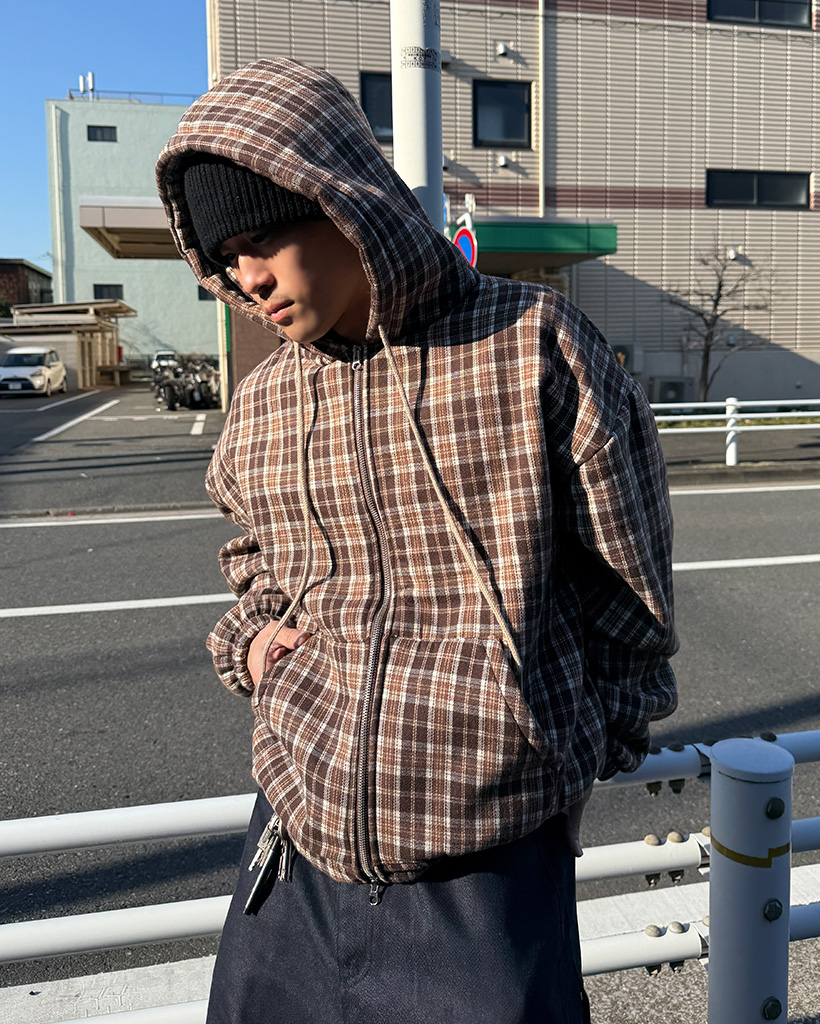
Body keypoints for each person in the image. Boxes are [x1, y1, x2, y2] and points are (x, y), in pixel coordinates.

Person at [156, 57, 678, 1024]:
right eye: (226, 255)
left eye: (265, 237)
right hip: (298, 831)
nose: (249, 277)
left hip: (488, 850)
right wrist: (258, 643)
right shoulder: (267, 398)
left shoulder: (532, 345)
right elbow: (254, 556)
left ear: (342, 202)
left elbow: (627, 576)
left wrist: (566, 752)